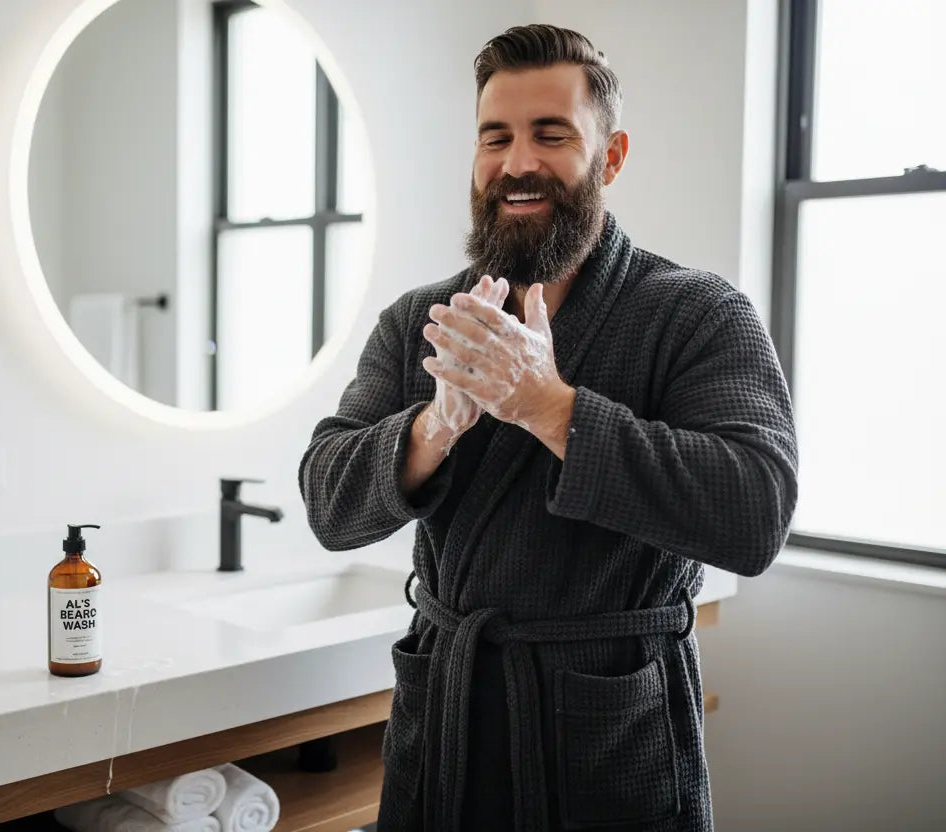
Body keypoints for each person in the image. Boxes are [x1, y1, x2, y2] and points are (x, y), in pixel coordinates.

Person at [298, 24, 797, 831]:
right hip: (444, 726)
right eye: (495, 137)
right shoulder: (418, 323)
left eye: (550, 134)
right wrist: (431, 427)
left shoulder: (697, 314)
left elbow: (755, 515)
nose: (517, 163)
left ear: (612, 155)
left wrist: (546, 405)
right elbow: (327, 504)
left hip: (607, 736)